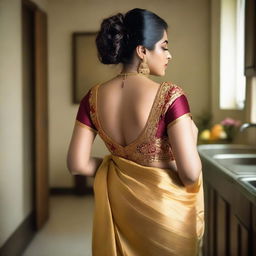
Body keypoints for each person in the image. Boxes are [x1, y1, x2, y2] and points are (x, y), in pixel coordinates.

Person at [67, 8, 204, 256]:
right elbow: (191, 174)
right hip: (166, 215)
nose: (169, 55)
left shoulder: (93, 96)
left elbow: (77, 164)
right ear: (142, 51)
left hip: (122, 210)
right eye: (164, 46)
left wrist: (120, 169)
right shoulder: (171, 96)